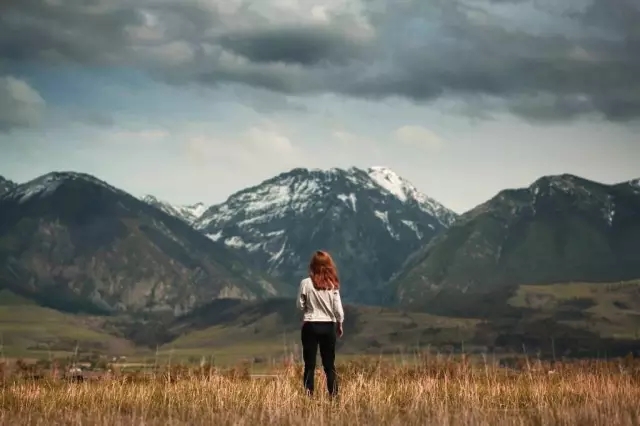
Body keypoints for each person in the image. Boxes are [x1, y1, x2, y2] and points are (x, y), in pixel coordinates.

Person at [296, 250, 344, 398]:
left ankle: (309, 397)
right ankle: (334, 397)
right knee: (329, 365)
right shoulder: (332, 284)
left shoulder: (305, 283)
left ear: (313, 265)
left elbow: (299, 305)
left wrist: (307, 308)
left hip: (310, 325)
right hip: (328, 325)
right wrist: (339, 323)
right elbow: (338, 309)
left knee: (309, 365)